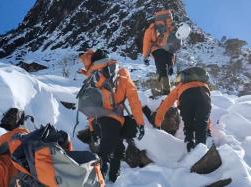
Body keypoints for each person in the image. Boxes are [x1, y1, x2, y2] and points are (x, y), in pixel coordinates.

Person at [78, 49, 145, 182]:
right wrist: (140, 122)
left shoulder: (93, 73)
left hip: (96, 119)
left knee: (115, 146)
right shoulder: (122, 74)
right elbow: (134, 100)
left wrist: (87, 72)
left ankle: (107, 176)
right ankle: (102, 177)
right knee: (110, 148)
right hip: (114, 118)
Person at [154, 72, 212, 152]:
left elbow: (165, 105)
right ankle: (202, 152)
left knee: (189, 126)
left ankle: (191, 149)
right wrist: (208, 128)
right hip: (204, 98)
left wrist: (157, 123)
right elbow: (205, 114)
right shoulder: (203, 85)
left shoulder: (180, 86)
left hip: (186, 100)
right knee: (201, 125)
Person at [142, 10, 176, 95]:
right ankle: (165, 90)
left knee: (161, 69)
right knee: (165, 69)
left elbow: (147, 42)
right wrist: (172, 64)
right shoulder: (171, 27)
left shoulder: (152, 28)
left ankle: (165, 91)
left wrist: (145, 56)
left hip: (158, 51)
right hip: (168, 50)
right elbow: (175, 43)